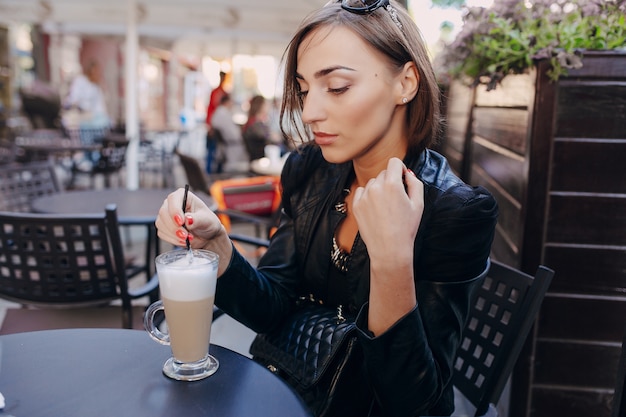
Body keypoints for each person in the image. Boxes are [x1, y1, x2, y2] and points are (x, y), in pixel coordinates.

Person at [155, 1, 498, 416]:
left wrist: (391, 261)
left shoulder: (455, 211)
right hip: (292, 392)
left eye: (336, 87)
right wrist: (218, 247)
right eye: (303, 90)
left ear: (406, 83)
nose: (311, 112)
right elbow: (272, 309)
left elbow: (416, 405)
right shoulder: (309, 171)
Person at [210, 93, 249, 173]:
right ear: (227, 102)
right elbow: (234, 135)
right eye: (231, 101)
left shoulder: (218, 113)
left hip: (226, 148)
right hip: (232, 150)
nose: (232, 104)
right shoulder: (223, 114)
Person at [205, 71, 227, 173]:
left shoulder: (224, 92)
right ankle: (208, 171)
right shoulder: (216, 92)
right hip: (213, 126)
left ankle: (216, 171)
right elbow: (210, 109)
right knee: (211, 150)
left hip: (219, 127)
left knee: (218, 151)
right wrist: (209, 126)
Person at [242, 95, 272, 161]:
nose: (268, 106)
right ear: (260, 106)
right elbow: (266, 137)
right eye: (265, 104)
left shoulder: (254, 121)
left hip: (259, 157)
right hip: (260, 158)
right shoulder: (255, 124)